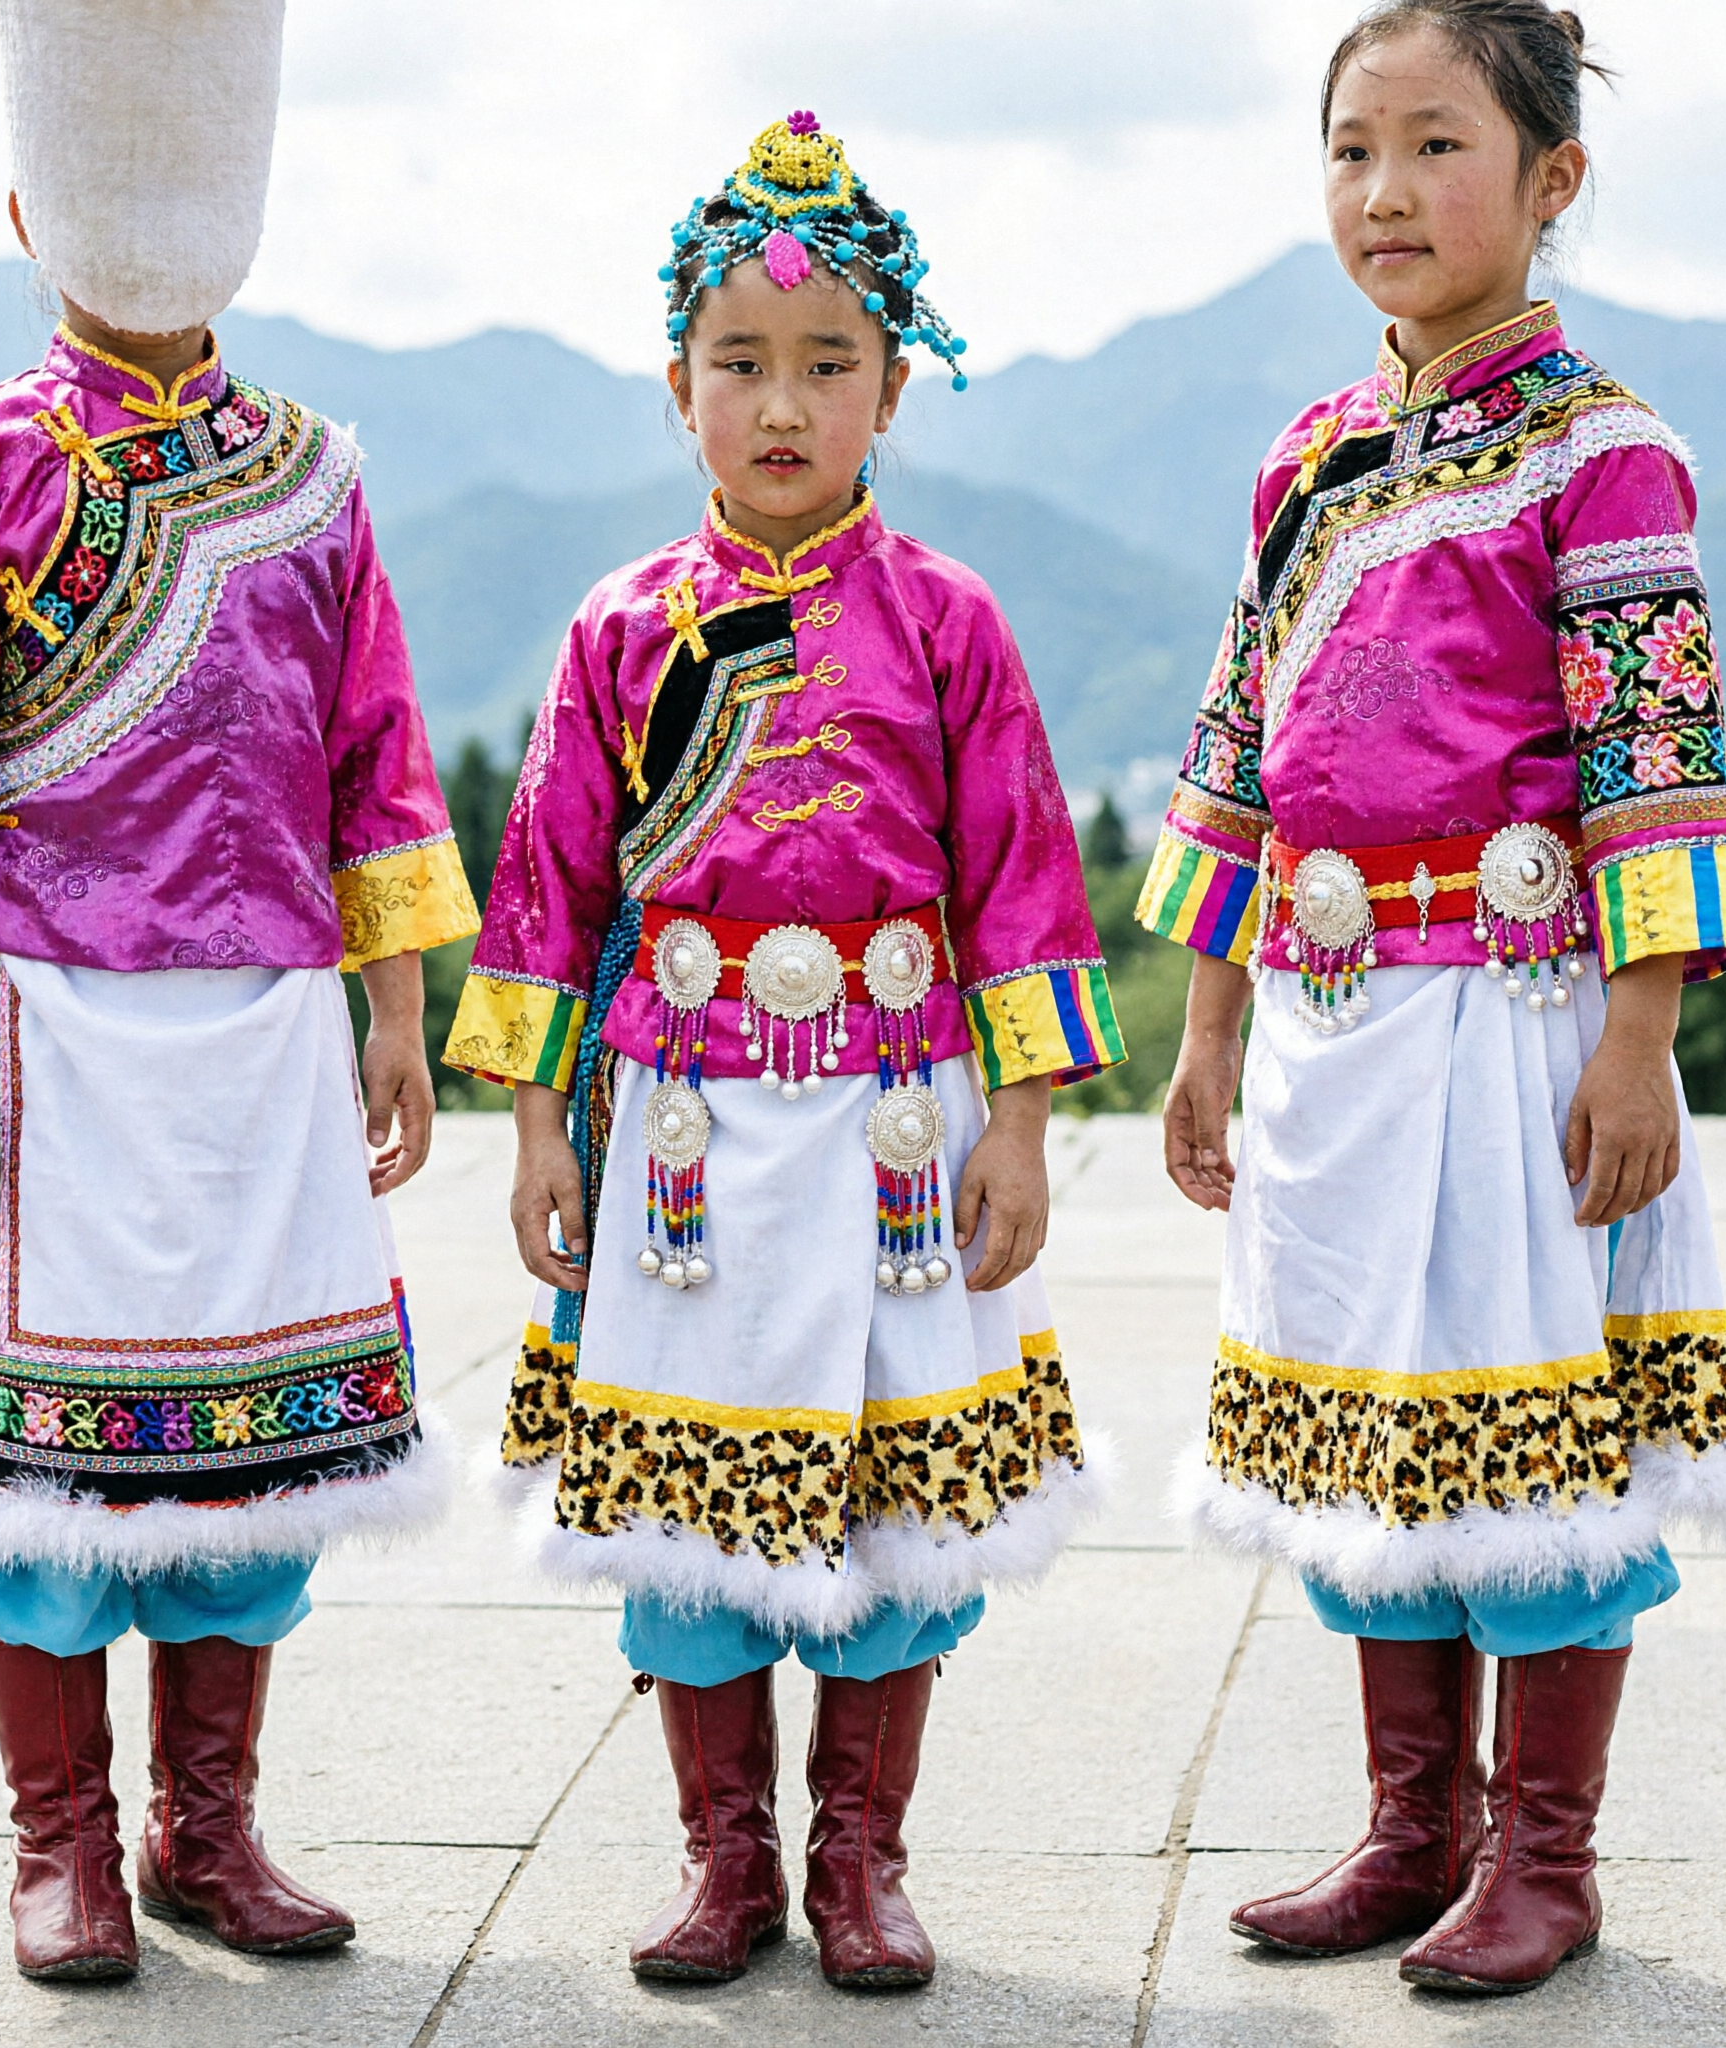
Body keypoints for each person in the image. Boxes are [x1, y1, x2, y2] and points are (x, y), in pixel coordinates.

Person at [0, 0, 476, 1984]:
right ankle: (60, 1845)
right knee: (44, 1466)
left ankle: (211, 1824)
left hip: (270, 1033)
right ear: (24, 210)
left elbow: (373, 747)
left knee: (252, 1460)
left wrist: (391, 1003)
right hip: (48, 1037)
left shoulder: (311, 470)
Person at [444, 113, 1125, 1991]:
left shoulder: (951, 621)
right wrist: (534, 1128)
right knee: (686, 1506)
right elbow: (545, 886)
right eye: (740, 362)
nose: (782, 403)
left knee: (897, 1508)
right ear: (678, 386)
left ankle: (862, 1861)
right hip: (677, 1128)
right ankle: (725, 1858)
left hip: (904, 1124)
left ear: (894, 385)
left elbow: (1021, 881)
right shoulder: (617, 631)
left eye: (829, 364)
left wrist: (1029, 1128)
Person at [1141, 0, 1726, 1998]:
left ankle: (1546, 1856)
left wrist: (1639, 1036)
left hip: (1517, 1018)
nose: (1383, 191)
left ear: (1550, 180)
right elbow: (1242, 740)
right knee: (1370, 1428)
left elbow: (1654, 748)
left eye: (1433, 147)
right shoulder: (1304, 463)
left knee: (1531, 1432)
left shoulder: (1607, 453)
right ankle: (1409, 1829)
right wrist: (1210, 1026)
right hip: (1330, 1022)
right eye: (1350, 149)